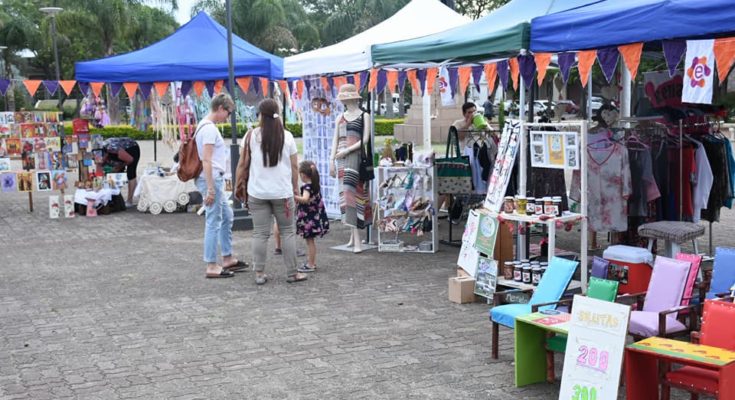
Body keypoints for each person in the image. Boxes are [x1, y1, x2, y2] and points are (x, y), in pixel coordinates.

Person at [236, 98, 307, 285]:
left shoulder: (250, 136)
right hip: (282, 193)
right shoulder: (287, 136)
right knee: (287, 232)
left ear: (260, 115)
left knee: (260, 233)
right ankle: (293, 273)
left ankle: (259, 273)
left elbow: (242, 165)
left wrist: (238, 186)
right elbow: (294, 166)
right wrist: (294, 187)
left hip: (257, 193)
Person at [195, 93, 247, 279]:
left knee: (226, 215)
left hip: (212, 179)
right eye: (229, 112)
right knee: (214, 220)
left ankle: (227, 257)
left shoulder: (204, 126)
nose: (229, 116)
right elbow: (206, 160)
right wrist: (210, 188)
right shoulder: (209, 129)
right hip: (212, 179)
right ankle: (211, 264)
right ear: (220, 109)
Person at [294, 161, 330, 273]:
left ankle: (311, 264)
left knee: (310, 242)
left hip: (309, 219)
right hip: (314, 217)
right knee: (310, 242)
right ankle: (311, 262)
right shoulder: (315, 185)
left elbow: (305, 199)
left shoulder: (307, 187)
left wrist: (293, 196)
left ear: (303, 175)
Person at [98, 137, 141, 206]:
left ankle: (129, 201)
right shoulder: (98, 153)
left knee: (131, 173)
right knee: (113, 174)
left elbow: (130, 160)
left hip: (132, 148)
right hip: (121, 151)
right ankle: (115, 198)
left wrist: (119, 167)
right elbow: (100, 168)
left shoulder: (111, 149)